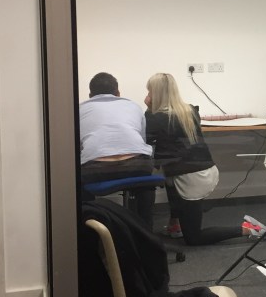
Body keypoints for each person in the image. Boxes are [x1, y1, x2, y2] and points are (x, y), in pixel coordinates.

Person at [144, 72, 247, 246]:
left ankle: (245, 229)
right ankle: (175, 225)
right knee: (169, 176)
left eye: (150, 92)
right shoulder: (190, 110)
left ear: (157, 94)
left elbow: (146, 140)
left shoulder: (154, 117)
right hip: (204, 170)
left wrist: (148, 108)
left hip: (191, 179)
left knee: (194, 238)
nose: (147, 96)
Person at [79, 72, 156, 228]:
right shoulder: (133, 106)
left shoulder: (79, 109)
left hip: (97, 169)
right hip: (138, 166)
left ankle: (90, 225)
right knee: (145, 180)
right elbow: (142, 140)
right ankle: (146, 228)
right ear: (118, 93)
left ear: (90, 95)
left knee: (76, 179)